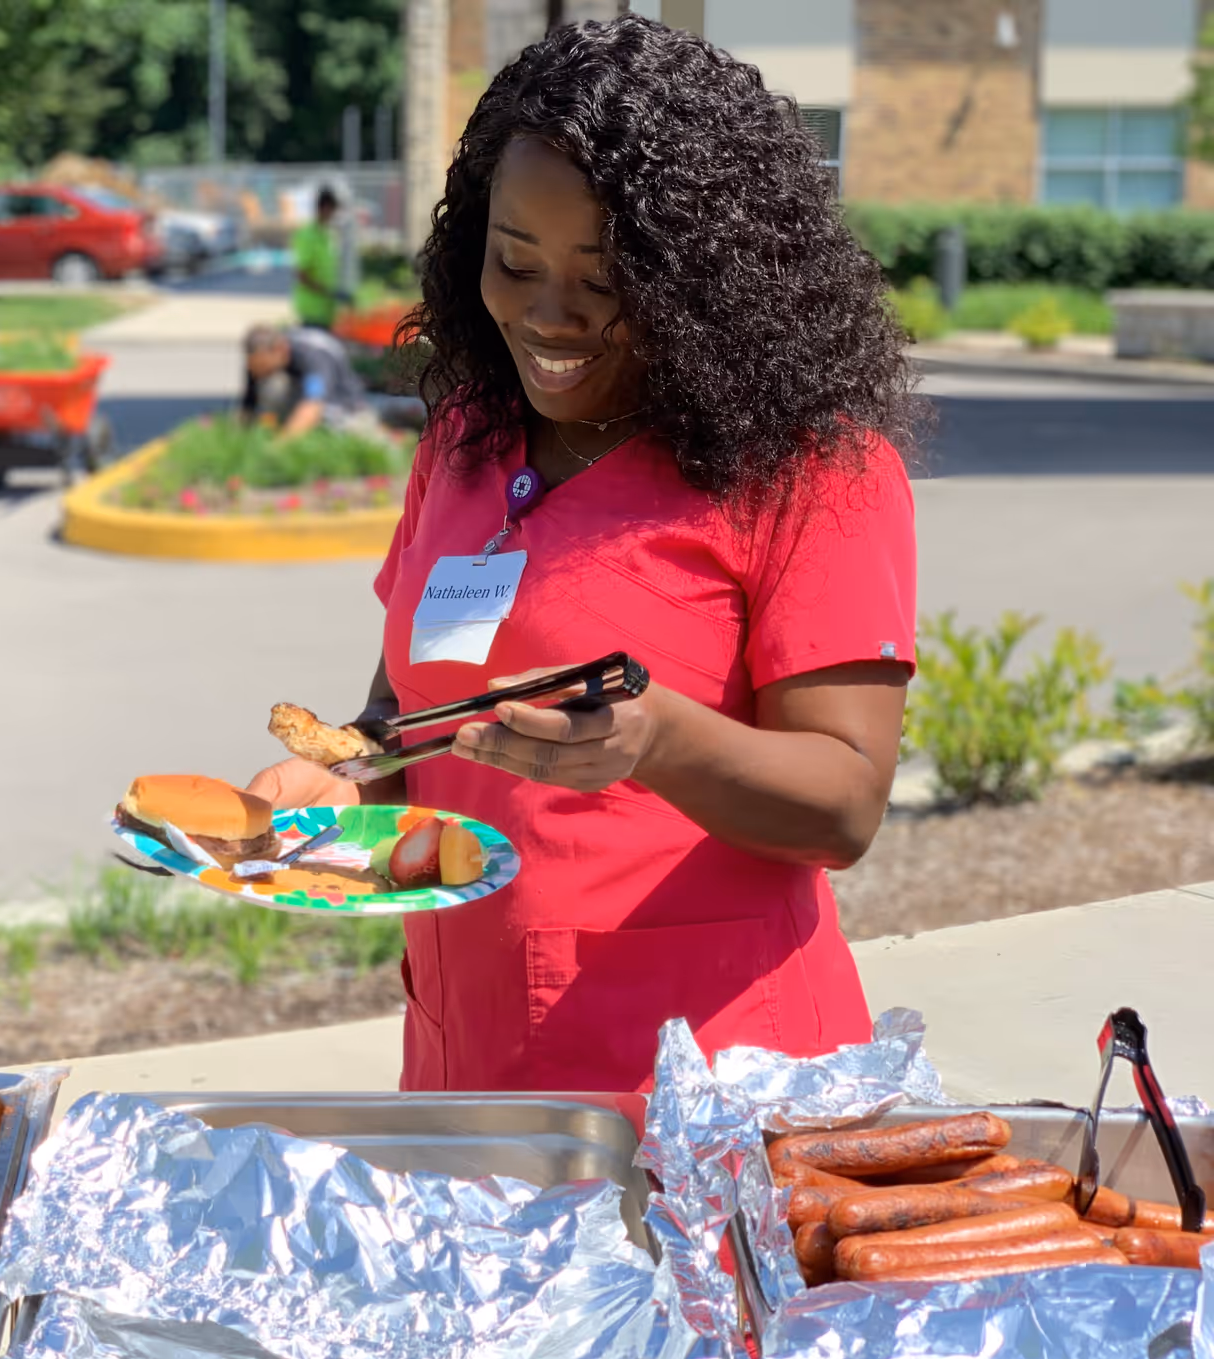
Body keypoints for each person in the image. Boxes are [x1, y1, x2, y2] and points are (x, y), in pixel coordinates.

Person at [248, 16, 923, 1094]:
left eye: (604, 281)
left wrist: (657, 741)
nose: (547, 316)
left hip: (710, 1084)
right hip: (474, 1057)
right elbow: (406, 721)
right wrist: (328, 792)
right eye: (513, 262)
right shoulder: (466, 443)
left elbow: (844, 804)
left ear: (705, 283)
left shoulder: (808, 471)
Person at [241, 323, 374, 438]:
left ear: (280, 349)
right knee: (273, 388)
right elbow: (247, 409)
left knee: (328, 420)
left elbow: (313, 405)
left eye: (264, 365)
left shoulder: (313, 354)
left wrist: (281, 444)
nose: (261, 373)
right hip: (304, 398)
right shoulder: (261, 361)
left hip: (344, 408)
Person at [291, 187, 346, 330]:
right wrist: (326, 291)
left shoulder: (326, 234)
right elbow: (301, 274)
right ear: (325, 208)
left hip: (326, 310)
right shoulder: (307, 235)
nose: (333, 215)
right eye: (332, 210)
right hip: (312, 310)